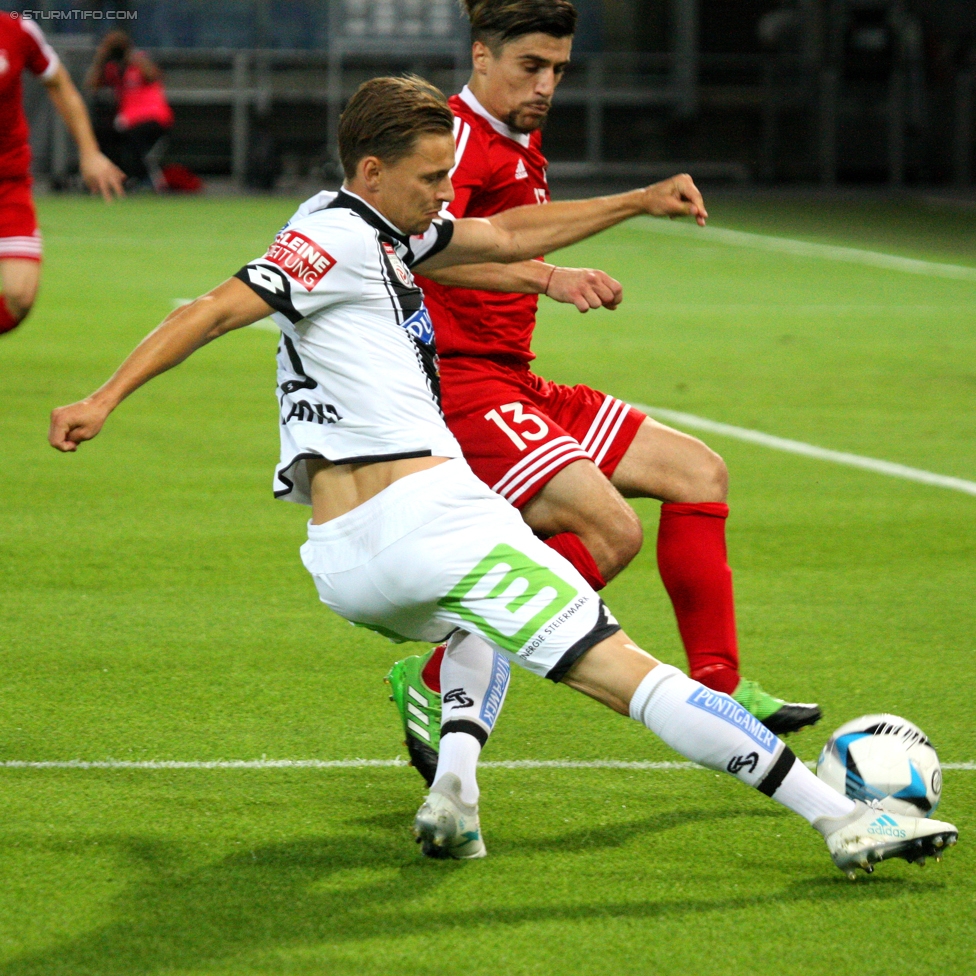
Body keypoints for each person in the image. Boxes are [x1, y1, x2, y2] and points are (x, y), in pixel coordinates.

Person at [48, 75, 956, 877]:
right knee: (630, 672)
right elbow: (215, 308)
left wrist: (635, 200)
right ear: (370, 172)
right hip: (428, 520)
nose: (446, 191)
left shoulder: (375, 235)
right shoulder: (334, 236)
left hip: (346, 563)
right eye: (430, 176)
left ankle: (453, 790)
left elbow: (507, 232)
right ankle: (841, 817)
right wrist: (103, 397)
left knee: (496, 603)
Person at [386, 0, 818, 786]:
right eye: (531, 67)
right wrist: (562, 264)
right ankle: (442, 675)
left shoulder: (518, 138)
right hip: (465, 384)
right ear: (480, 57)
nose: (547, 84)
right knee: (611, 531)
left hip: (515, 377)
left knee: (698, 473)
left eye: (558, 70)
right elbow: (422, 252)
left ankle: (721, 691)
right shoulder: (453, 142)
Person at [0, 11, 125, 336]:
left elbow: (58, 83)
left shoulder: (17, 30)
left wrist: (89, 151)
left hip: (7, 183)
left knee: (19, 298)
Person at [86, 31, 174, 190]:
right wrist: (101, 59)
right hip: (128, 120)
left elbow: (153, 75)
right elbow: (92, 85)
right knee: (102, 134)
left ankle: (145, 179)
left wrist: (132, 57)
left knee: (133, 139)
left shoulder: (139, 62)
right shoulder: (113, 68)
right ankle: (113, 178)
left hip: (153, 118)